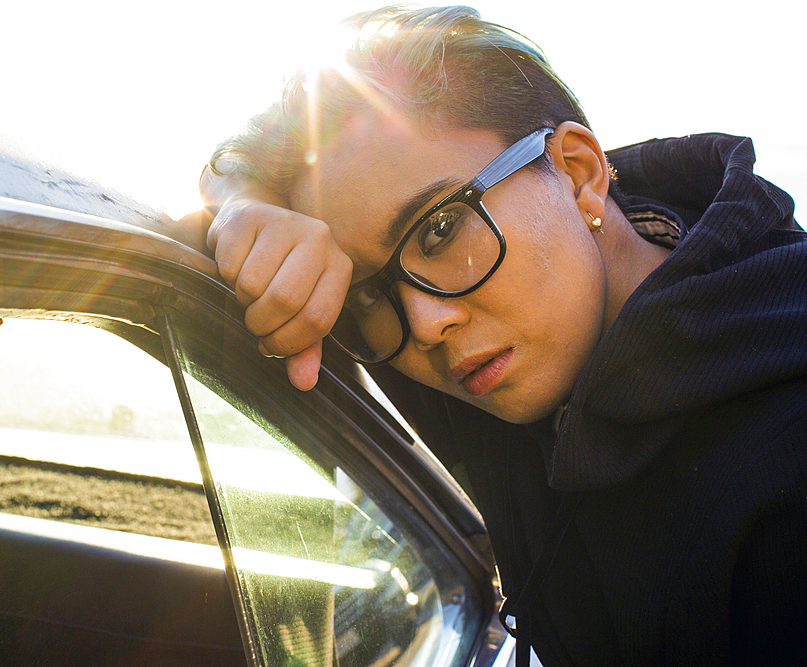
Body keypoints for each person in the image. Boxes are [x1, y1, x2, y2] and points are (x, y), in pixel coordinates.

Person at [180, 5, 807, 665]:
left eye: (441, 229)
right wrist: (243, 200)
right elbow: (241, 153)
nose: (424, 324)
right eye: (367, 292)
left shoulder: (785, 465)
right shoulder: (456, 337)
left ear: (580, 173)